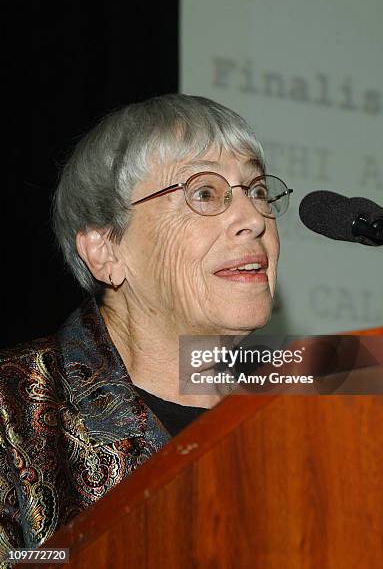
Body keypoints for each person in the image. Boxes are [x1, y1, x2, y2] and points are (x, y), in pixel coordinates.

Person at [0, 94, 292, 558]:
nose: (254, 219)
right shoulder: (16, 410)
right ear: (106, 251)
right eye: (204, 193)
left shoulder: (307, 408)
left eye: (257, 190)